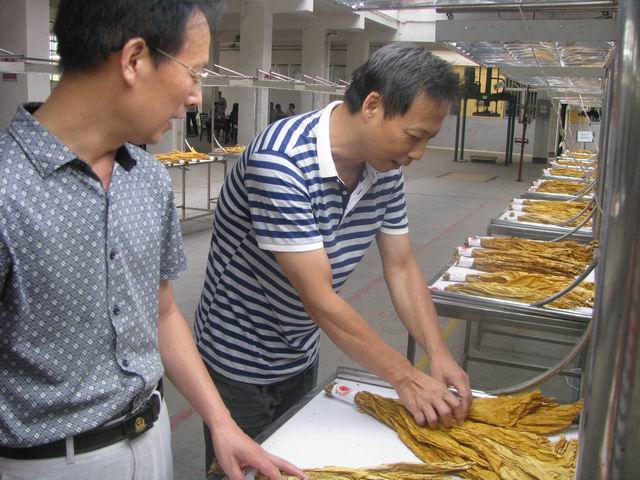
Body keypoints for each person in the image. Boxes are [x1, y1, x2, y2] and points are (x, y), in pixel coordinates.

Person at [0, 2, 305, 480]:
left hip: (152, 436)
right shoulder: (7, 188)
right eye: (194, 73)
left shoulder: (147, 179)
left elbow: (161, 313)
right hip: (49, 463)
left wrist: (222, 422)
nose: (196, 97)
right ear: (134, 59)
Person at [195, 44, 472, 468]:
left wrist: (438, 352)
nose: (417, 154)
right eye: (414, 136)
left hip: (300, 350)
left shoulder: (385, 168)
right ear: (373, 106)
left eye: (427, 141)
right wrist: (405, 377)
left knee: (298, 463)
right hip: (239, 360)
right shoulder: (282, 161)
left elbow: (401, 266)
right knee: (245, 471)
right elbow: (319, 298)